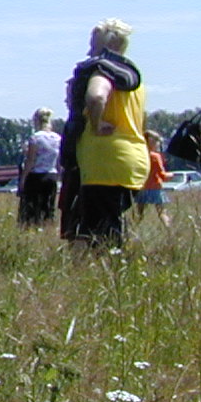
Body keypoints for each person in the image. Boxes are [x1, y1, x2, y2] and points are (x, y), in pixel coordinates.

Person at [60, 19, 146, 249]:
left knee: (99, 236)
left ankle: (107, 268)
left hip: (105, 162)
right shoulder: (133, 78)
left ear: (106, 47)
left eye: (93, 45)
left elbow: (96, 96)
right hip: (132, 159)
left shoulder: (102, 71)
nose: (90, 52)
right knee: (106, 226)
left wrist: (96, 124)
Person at [17, 108, 62, 228]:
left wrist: (23, 179)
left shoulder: (35, 138)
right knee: (48, 209)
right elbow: (59, 162)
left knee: (31, 210)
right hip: (51, 176)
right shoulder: (57, 138)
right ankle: (47, 230)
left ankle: (31, 230)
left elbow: (30, 161)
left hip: (36, 177)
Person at [133, 130, 171, 228]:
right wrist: (170, 175)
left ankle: (135, 228)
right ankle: (168, 228)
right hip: (155, 187)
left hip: (142, 187)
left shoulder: (138, 155)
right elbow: (161, 174)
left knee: (139, 212)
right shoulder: (155, 156)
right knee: (161, 212)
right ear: (152, 142)